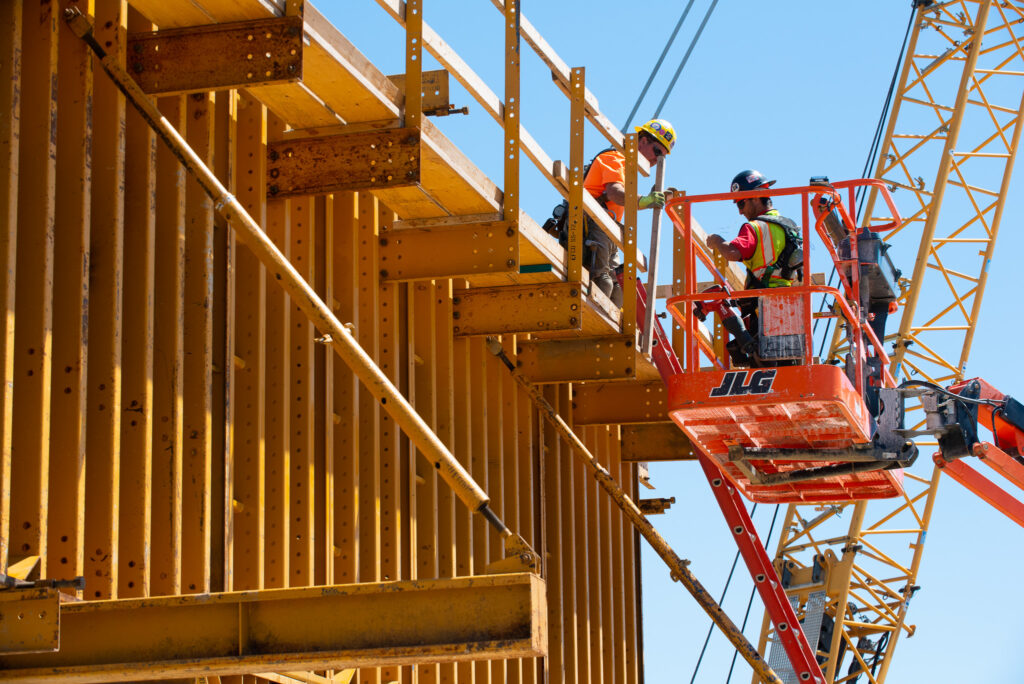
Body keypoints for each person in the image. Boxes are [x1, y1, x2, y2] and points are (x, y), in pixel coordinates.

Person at [699, 169, 801, 366]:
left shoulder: (755, 227)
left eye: (741, 202)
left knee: (763, 367)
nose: (740, 211)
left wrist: (717, 241)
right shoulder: (790, 226)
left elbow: (732, 253)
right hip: (789, 308)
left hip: (764, 308)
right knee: (787, 367)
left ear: (754, 197)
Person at [579, 118, 676, 306]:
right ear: (643, 140)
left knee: (619, 291)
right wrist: (643, 201)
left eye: (662, 157)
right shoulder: (614, 158)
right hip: (592, 224)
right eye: (657, 152)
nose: (657, 160)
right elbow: (615, 193)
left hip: (608, 230)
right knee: (603, 282)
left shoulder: (626, 168)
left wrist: (642, 200)